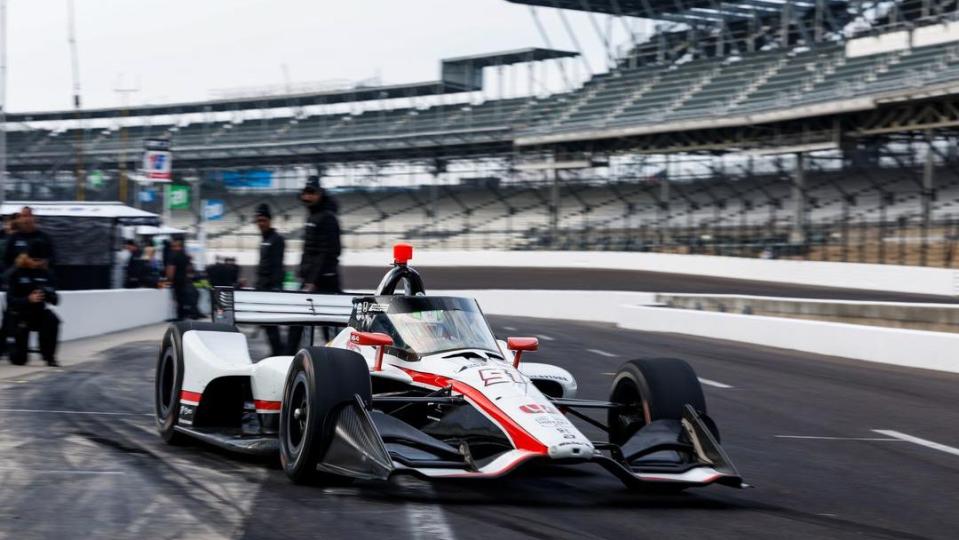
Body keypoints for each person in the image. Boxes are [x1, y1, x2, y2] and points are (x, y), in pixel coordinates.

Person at [288, 176, 341, 353]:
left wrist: (312, 280)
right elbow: (309, 250)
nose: (307, 197)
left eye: (311, 193)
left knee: (329, 327)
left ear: (320, 194)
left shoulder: (327, 218)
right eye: (305, 193)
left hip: (324, 282)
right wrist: (303, 272)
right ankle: (287, 357)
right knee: (299, 323)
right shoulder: (312, 216)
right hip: (311, 280)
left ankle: (338, 359)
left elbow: (327, 252)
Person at [7, 244, 60, 366]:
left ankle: (49, 356)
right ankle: (11, 345)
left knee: (52, 319)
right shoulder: (17, 273)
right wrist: (28, 299)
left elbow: (56, 300)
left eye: (40, 260)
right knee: (20, 360)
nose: (37, 263)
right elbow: (10, 300)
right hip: (20, 315)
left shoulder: (46, 274)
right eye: (34, 260)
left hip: (38, 314)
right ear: (26, 257)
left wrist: (47, 294)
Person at [254, 203, 286, 356]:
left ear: (270, 221)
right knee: (267, 325)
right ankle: (277, 351)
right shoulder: (264, 240)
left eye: (263, 220)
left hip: (271, 290)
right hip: (262, 289)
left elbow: (277, 266)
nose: (261, 224)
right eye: (258, 221)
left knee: (271, 324)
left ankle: (278, 352)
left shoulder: (276, 239)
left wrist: (274, 288)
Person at [4, 207, 56, 271]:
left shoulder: (44, 237)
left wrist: (40, 264)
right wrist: (20, 262)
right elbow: (6, 260)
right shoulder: (14, 237)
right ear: (19, 219)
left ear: (34, 218)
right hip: (18, 274)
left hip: (40, 274)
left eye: (29, 216)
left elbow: (52, 259)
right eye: (23, 216)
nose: (26, 219)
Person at [165, 238, 191, 320]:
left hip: (176, 280)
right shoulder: (185, 255)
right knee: (183, 297)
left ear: (175, 246)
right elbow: (189, 268)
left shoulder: (173, 255)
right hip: (184, 279)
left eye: (172, 246)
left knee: (177, 298)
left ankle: (179, 316)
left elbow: (171, 268)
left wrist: (169, 279)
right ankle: (184, 315)